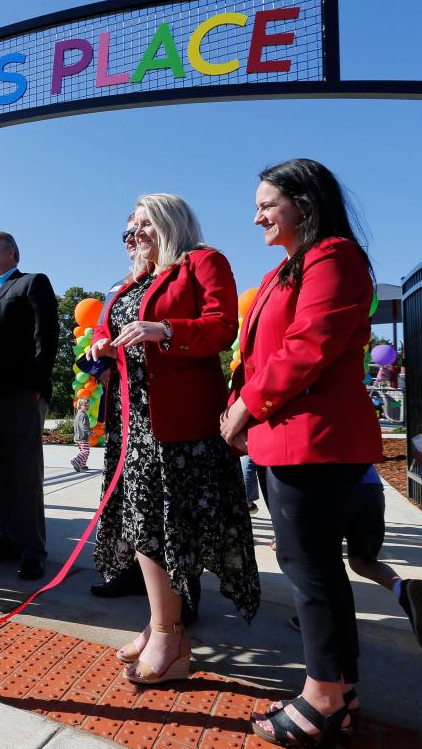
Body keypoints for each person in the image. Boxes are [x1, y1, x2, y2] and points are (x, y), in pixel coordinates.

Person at [220, 159, 383, 746]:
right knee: (316, 569)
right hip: (283, 435)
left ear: (305, 205)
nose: (257, 214)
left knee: (310, 570)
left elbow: (308, 346)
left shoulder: (332, 256)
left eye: (268, 203)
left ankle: (321, 697)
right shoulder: (285, 269)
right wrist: (239, 404)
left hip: (313, 439)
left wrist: (247, 407)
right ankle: (340, 690)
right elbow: (257, 355)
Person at [87, 193, 260, 686]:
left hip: (181, 428)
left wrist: (163, 329)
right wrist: (103, 345)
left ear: (170, 222)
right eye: (133, 226)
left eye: (145, 223)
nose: (136, 233)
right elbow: (110, 328)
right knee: (145, 529)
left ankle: (170, 634)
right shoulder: (134, 280)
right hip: (132, 426)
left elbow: (223, 327)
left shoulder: (203, 262)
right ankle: (160, 624)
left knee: (171, 530)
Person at [0, 230, 58, 581]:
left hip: (19, 395)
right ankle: (8, 540)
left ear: (11, 253)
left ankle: (33, 550)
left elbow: (45, 336)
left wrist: (35, 386)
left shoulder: (31, 283)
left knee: (24, 474)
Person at [288, 465, 422, 656]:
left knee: (322, 561)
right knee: (363, 562)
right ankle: (402, 589)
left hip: (329, 487)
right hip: (371, 488)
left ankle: (324, 619)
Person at [89, 212, 147, 599]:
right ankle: (128, 571)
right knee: (124, 491)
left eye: (137, 230)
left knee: (158, 502)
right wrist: (99, 351)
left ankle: (179, 593)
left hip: (156, 405)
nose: (130, 237)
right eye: (124, 232)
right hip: (120, 405)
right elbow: (100, 329)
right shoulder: (119, 285)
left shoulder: (173, 273)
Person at [72, 397, 92, 471]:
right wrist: (89, 432)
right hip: (83, 437)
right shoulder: (83, 415)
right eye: (85, 405)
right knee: (86, 451)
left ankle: (82, 465)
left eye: (88, 405)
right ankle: (76, 461)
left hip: (78, 437)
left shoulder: (77, 415)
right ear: (80, 406)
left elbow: (75, 425)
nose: (87, 407)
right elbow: (84, 425)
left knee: (84, 452)